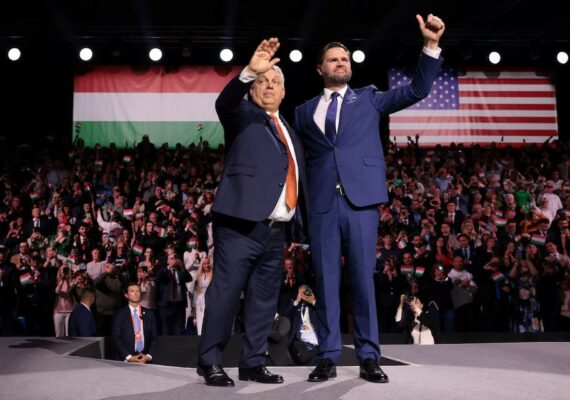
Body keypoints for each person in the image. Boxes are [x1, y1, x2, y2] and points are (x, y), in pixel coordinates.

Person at [294, 14, 444, 383]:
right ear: (320, 69)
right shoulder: (302, 111)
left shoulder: (369, 98)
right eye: (333, 59)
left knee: (363, 281)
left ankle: (368, 356)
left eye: (344, 58)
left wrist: (430, 46)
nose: (340, 63)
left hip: (360, 204)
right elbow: (297, 162)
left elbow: (417, 90)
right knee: (325, 284)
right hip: (322, 207)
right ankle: (327, 356)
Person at [197, 38, 308, 387]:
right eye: (263, 81)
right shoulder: (242, 116)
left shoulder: (291, 131)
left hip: (276, 231)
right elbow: (224, 102)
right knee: (226, 294)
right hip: (239, 226)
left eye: (275, 82)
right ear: (253, 88)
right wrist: (248, 71)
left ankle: (253, 362)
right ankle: (210, 361)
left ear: (284, 92)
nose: (269, 86)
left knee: (263, 299)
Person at [112, 282, 158, 363]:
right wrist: (129, 357)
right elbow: (116, 338)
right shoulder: (119, 314)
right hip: (126, 360)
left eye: (138, 291)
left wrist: (148, 356)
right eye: (132, 291)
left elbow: (154, 337)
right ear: (126, 295)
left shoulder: (149, 314)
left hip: (145, 359)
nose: (136, 293)